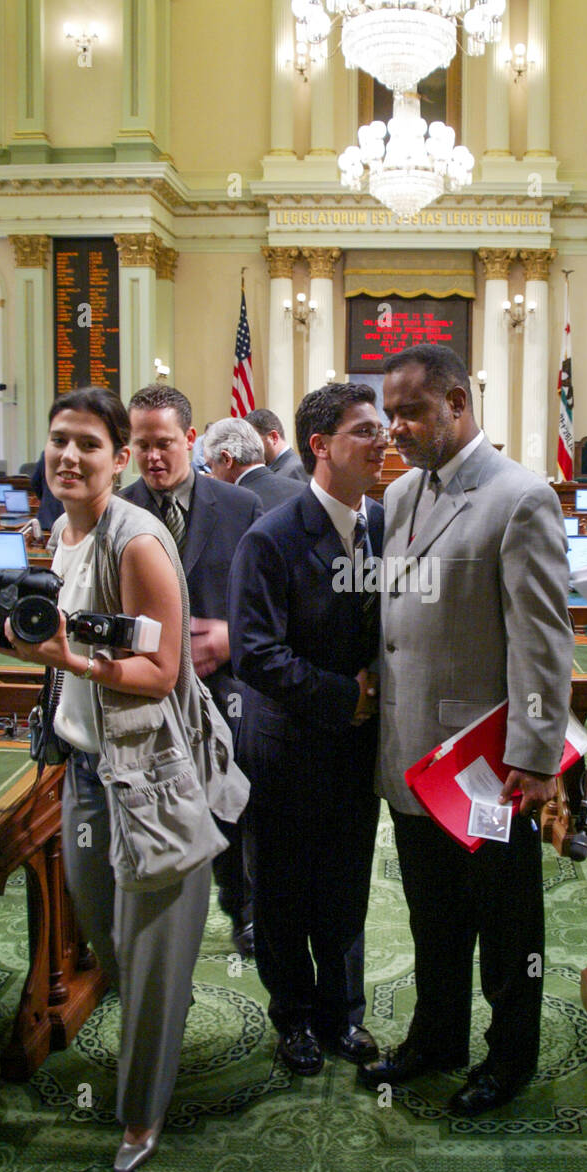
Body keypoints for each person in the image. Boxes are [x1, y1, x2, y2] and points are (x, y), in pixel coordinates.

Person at [5, 386, 244, 1172]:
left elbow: (161, 668)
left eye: (88, 445)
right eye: (58, 440)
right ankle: (147, 1060)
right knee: (105, 941)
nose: (68, 456)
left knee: (151, 959)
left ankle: (140, 1117)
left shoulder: (135, 540)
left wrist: (66, 657)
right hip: (83, 772)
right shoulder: (63, 535)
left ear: (117, 460)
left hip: (147, 777)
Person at [359, 343, 573, 1116]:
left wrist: (536, 756)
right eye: (389, 414)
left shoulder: (518, 497)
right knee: (432, 917)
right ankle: (436, 1037)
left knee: (507, 925)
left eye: (411, 411)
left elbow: (540, 643)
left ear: (457, 403)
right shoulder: (408, 492)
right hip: (413, 755)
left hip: (487, 766)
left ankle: (509, 1059)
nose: (396, 429)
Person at [227, 383, 386, 1074]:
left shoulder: (384, 525)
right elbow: (254, 653)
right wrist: (340, 697)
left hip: (358, 749)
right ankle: (291, 1017)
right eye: (363, 431)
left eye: (380, 428)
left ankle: (340, 1016)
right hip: (289, 746)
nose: (381, 440)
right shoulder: (272, 535)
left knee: (347, 885)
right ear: (319, 446)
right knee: (286, 891)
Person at [122, 385, 262, 952]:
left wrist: (234, 639)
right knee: (156, 805)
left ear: (190, 439)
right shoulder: (120, 511)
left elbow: (266, 602)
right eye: (141, 446)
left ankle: (242, 906)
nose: (153, 457)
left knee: (231, 806)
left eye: (164, 444)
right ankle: (164, 925)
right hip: (145, 690)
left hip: (223, 686)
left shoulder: (239, 506)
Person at [201, 416, 305, 511]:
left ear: (227, 459)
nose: (212, 476)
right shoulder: (305, 491)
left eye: (211, 466)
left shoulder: (231, 506)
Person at [246, 408, 308, 482]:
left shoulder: (297, 469)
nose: (248, 446)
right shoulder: (266, 467)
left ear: (273, 437)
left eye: (252, 439)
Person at [29, 450, 64, 530]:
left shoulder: (48, 453)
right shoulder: (87, 453)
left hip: (47, 518)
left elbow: (35, 482)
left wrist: (46, 498)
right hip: (74, 525)